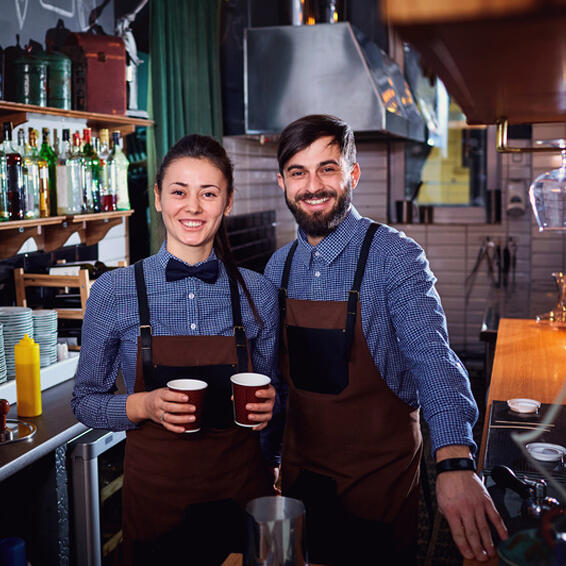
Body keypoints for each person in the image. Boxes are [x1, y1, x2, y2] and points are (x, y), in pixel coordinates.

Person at [263, 114, 508, 565]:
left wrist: (454, 463)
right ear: (282, 182)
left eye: (328, 168)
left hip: (377, 483)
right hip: (298, 481)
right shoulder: (277, 268)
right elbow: (274, 385)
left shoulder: (395, 257)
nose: (312, 185)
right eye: (298, 172)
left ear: (352, 174)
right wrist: (268, 458)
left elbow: (433, 361)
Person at [72, 134, 280, 566]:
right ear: (158, 198)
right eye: (179, 192)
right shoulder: (114, 292)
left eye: (209, 193)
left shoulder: (259, 292)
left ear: (228, 202)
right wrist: (143, 405)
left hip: (242, 493)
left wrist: (271, 410)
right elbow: (85, 402)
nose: (193, 207)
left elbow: (278, 396)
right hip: (157, 501)